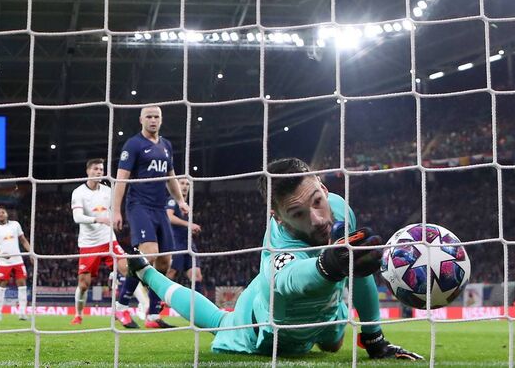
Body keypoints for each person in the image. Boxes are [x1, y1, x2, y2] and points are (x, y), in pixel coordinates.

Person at [121, 158, 422, 359]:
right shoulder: (278, 251)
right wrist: (330, 264)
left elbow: (360, 270)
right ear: (276, 217)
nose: (317, 219)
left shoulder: (340, 209)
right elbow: (291, 280)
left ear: (323, 186)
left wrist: (373, 339)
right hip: (263, 322)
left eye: (318, 201)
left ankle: (341, 327)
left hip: (324, 309)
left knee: (332, 344)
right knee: (218, 321)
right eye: (297, 214)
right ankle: (145, 272)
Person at [112, 106, 189, 329]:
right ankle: (121, 307)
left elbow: (171, 177)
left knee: (166, 261)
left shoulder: (166, 146)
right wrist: (116, 210)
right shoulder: (133, 144)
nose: (153, 120)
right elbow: (121, 179)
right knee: (149, 254)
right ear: (141, 119)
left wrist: (181, 200)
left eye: (156, 116)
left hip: (159, 207)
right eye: (149, 117)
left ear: (161, 120)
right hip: (139, 206)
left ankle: (153, 316)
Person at [70, 158, 134, 327]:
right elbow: (77, 217)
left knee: (128, 269)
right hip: (88, 244)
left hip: (108, 239)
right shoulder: (78, 192)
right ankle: (78, 314)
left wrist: (115, 219)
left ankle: (125, 307)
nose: (99, 172)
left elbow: (113, 212)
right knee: (84, 285)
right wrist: (98, 219)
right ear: (88, 171)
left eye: (101, 169)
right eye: (96, 169)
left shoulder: (108, 190)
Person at [0, 206, 32, 321]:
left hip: (18, 260)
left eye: (2, 212)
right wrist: (1, 253)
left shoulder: (15, 225)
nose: (0, 214)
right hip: (4, 262)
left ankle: (22, 313)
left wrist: (31, 252)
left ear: (7, 214)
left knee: (22, 285)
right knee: (1, 286)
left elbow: (23, 240)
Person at [165, 179, 204, 294]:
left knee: (197, 275)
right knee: (171, 273)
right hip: (175, 243)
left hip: (188, 243)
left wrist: (191, 229)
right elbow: (169, 217)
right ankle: (157, 303)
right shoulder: (172, 200)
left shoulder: (187, 205)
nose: (185, 186)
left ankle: (196, 307)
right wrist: (189, 225)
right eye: (182, 183)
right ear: (176, 185)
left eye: (187, 184)